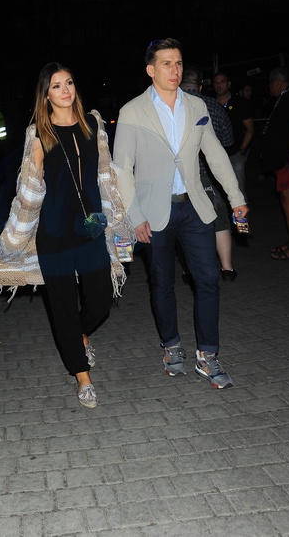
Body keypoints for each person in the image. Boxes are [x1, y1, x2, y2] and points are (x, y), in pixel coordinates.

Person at [0, 62, 134, 409]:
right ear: (46, 95)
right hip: (54, 233)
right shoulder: (38, 135)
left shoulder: (93, 124)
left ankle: (79, 335)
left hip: (90, 227)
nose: (65, 90)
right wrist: (18, 229)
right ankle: (82, 376)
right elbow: (29, 189)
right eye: (56, 86)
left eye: (69, 83)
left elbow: (105, 175)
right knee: (63, 309)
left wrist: (117, 217)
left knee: (101, 298)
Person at [113, 38, 248, 389]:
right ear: (151, 69)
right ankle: (172, 346)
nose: (175, 70)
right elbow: (122, 169)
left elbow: (215, 154)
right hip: (152, 212)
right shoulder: (132, 111)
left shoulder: (196, 105)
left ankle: (208, 355)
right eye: (167, 63)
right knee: (162, 282)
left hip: (193, 208)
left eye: (179, 63)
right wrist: (134, 215)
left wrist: (236, 198)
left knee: (208, 278)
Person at [180, 66, 238, 281]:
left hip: (183, 177)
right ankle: (227, 268)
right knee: (219, 219)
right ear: (201, 86)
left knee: (186, 223)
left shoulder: (173, 108)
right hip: (210, 175)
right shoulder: (212, 105)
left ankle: (189, 271)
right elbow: (229, 140)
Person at [261, 67, 289, 260]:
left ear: (277, 82)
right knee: (286, 202)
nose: (269, 88)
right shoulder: (286, 97)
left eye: (270, 84)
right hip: (285, 162)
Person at [214, 72, 254, 202]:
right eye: (216, 82)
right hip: (216, 155)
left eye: (222, 82)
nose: (219, 85)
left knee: (238, 189)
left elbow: (250, 128)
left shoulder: (239, 103)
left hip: (235, 154)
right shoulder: (210, 103)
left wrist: (241, 150)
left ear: (228, 84)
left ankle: (241, 214)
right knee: (217, 191)